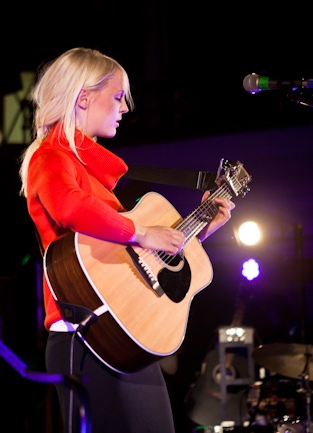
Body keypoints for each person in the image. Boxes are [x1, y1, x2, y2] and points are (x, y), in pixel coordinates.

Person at [18, 47, 236, 433]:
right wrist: (142, 231)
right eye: (118, 97)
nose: (125, 108)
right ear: (82, 97)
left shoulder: (93, 176)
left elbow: (131, 258)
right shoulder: (49, 157)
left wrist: (201, 229)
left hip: (124, 335)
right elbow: (71, 208)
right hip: (84, 337)